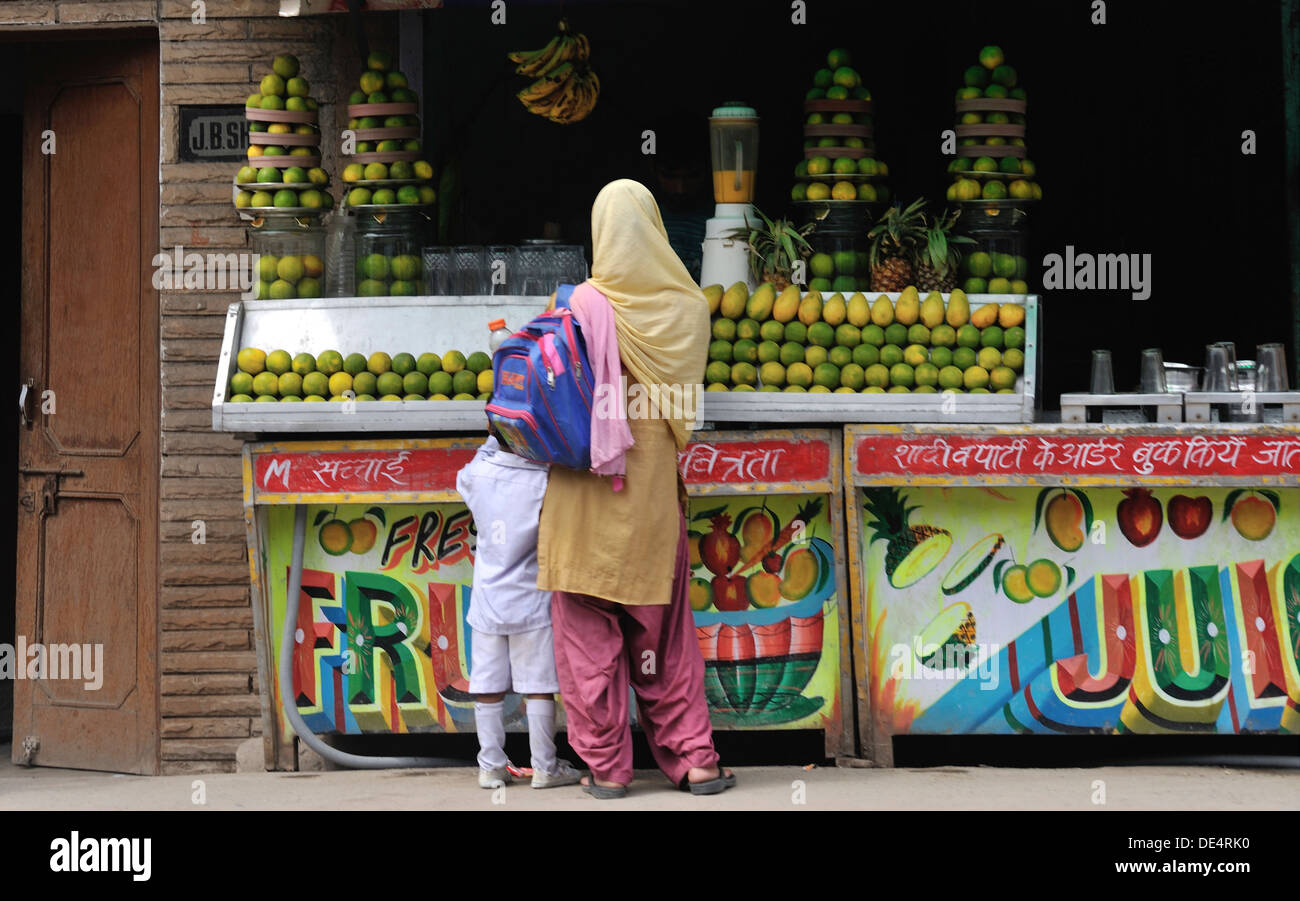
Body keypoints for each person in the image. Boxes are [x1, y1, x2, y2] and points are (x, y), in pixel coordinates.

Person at [536, 178, 735, 798]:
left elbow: (540, 389)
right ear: (653, 228)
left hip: (582, 502)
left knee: (586, 642)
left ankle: (607, 771)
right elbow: (686, 409)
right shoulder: (688, 309)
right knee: (666, 643)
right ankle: (696, 763)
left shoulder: (575, 304)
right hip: (650, 503)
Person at [456, 430, 582, 790]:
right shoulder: (544, 479)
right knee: (539, 686)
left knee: (487, 687)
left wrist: (490, 442)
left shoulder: (478, 473)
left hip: (488, 600)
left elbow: (467, 475)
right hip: (531, 599)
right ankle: (545, 767)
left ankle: (491, 766)